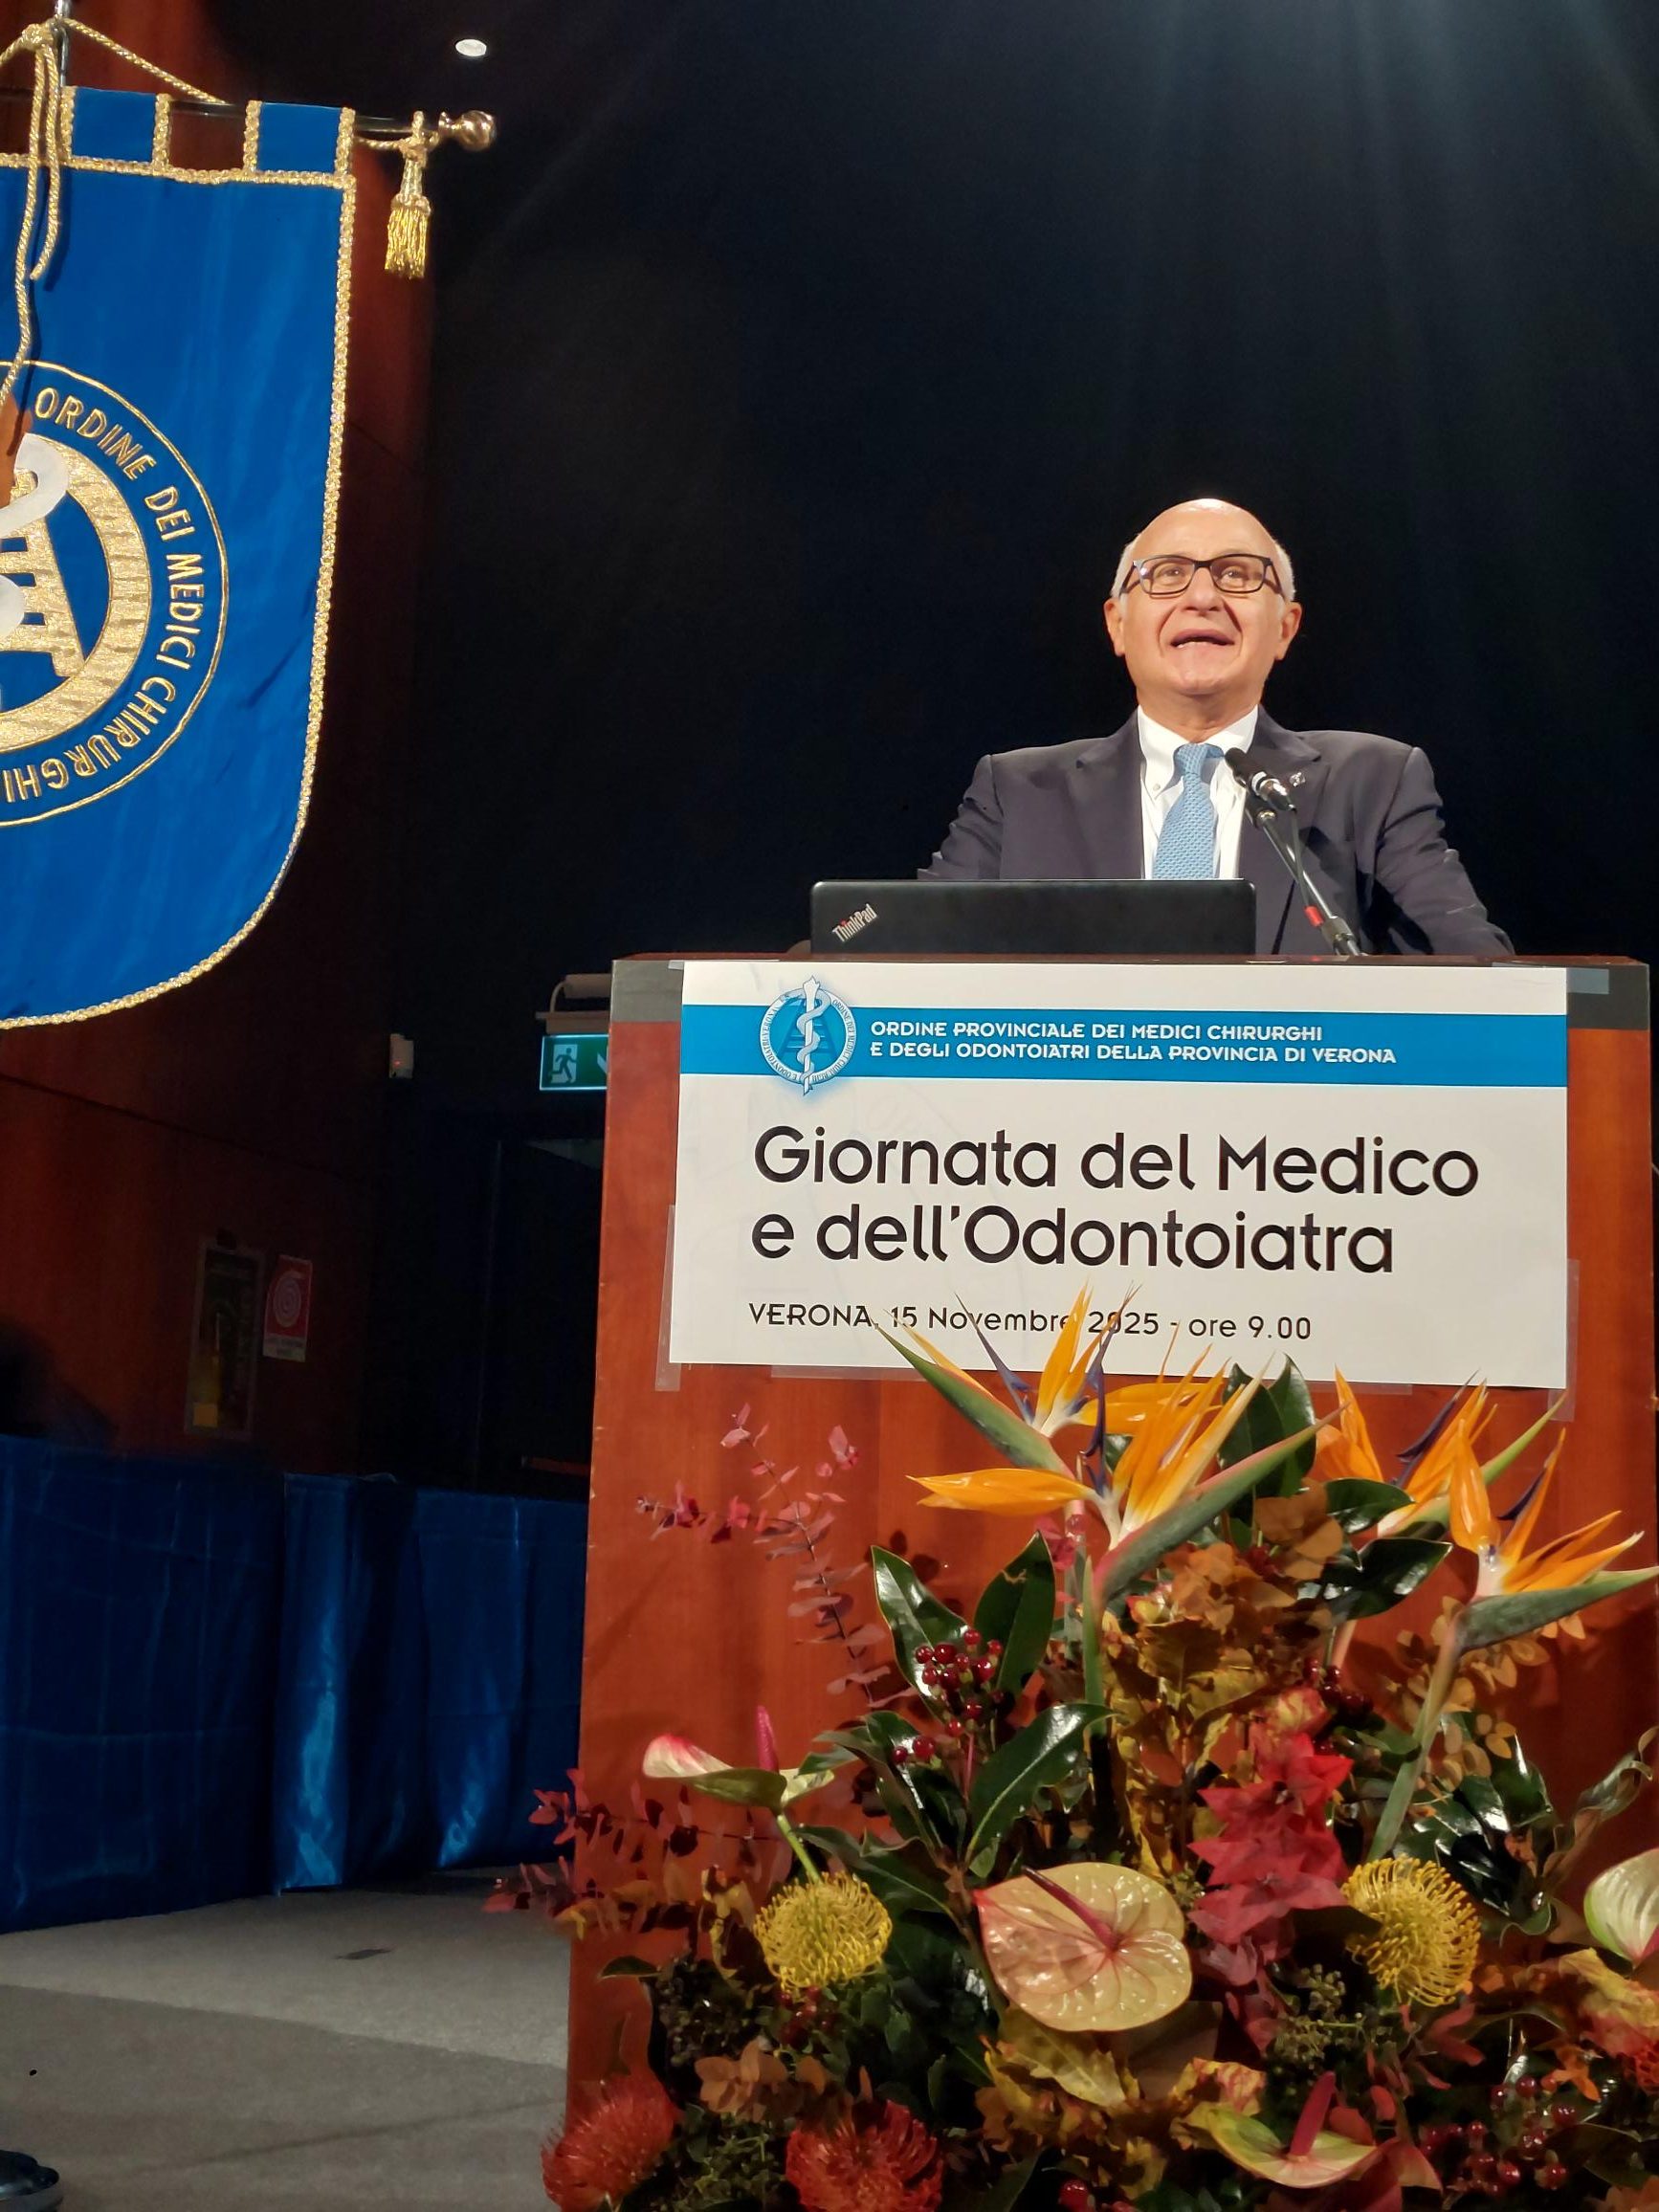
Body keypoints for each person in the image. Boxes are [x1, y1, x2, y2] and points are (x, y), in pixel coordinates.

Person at [921, 497, 1510, 956]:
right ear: (1117, 625)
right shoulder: (1017, 792)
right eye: (1167, 574)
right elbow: (899, 955)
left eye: (1237, 574)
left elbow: (1479, 977)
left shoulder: (1373, 783)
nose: (1202, 596)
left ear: (1285, 628)